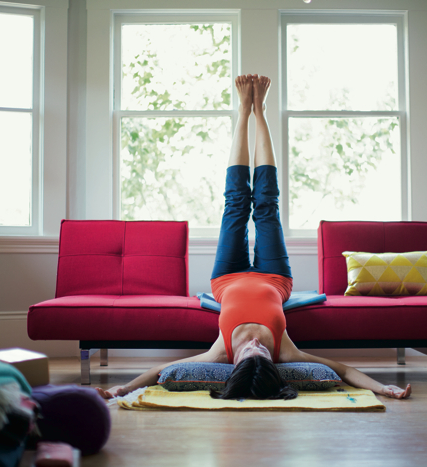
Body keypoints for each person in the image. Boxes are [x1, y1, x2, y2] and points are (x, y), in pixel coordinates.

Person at [96, 74, 411, 401]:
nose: (257, 344)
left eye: (249, 351)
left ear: (233, 365)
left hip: (226, 278)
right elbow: (343, 371)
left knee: (235, 202)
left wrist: (123, 388)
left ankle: (243, 111)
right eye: (263, 352)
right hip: (276, 278)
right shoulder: (286, 352)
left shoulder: (219, 352)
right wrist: (383, 388)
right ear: (274, 365)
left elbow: (162, 372)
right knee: (266, 203)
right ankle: (260, 110)